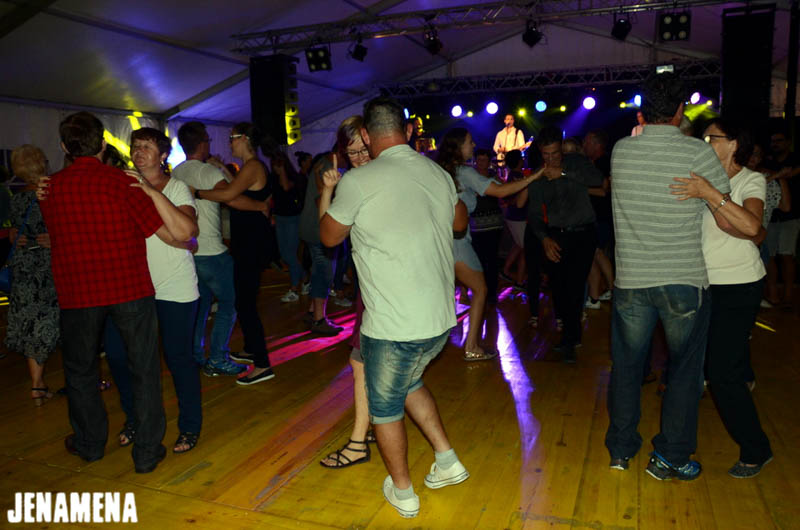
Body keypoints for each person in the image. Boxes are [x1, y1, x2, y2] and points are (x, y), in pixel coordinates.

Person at [320, 96, 469, 518]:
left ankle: (403, 492)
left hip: (392, 327)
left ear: (368, 136)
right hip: (439, 321)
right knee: (409, 383)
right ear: (407, 131)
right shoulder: (437, 172)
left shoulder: (359, 181)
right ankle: (447, 460)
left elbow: (328, 237)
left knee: (384, 409)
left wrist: (328, 192)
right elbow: (460, 224)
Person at [39, 111, 195, 473]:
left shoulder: (49, 189)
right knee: (144, 369)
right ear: (103, 144)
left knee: (81, 373)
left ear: (64, 146)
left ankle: (90, 445)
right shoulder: (123, 184)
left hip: (78, 293)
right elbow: (165, 231)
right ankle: (146, 453)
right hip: (129, 289)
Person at [604, 73, 731, 480]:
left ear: (644, 110)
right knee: (684, 372)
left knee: (627, 369)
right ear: (680, 110)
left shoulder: (621, 150)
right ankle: (671, 458)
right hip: (682, 279)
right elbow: (722, 203)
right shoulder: (697, 152)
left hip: (632, 281)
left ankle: (620, 451)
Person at [671, 119, 772, 478]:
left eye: (711, 138)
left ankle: (757, 448)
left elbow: (752, 228)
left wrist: (711, 194)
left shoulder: (750, 180)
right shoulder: (699, 180)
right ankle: (677, 447)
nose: (705, 142)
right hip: (701, 284)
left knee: (721, 373)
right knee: (701, 366)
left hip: (740, 284)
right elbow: (726, 227)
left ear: (733, 144)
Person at [103, 127, 202, 454]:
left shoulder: (177, 187)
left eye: (147, 146)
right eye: (136, 146)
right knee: (119, 355)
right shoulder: (121, 186)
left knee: (178, 358)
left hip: (174, 287)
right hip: (133, 287)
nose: (139, 152)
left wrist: (150, 192)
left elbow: (187, 232)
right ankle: (134, 419)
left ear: (163, 155)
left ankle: (189, 426)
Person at [172, 121, 267, 377]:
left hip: (190, 250)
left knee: (201, 305)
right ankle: (217, 358)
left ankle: (195, 355)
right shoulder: (207, 173)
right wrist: (260, 206)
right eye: (209, 140)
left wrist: (222, 169)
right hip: (212, 251)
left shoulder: (176, 172)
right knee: (230, 303)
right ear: (202, 143)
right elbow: (232, 198)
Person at [437, 128, 540, 361]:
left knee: (444, 291)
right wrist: (533, 177)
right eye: (470, 142)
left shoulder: (440, 171)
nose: (473, 146)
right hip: (457, 242)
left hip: (437, 240)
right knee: (481, 290)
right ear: (459, 146)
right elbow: (501, 191)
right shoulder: (464, 172)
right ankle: (472, 346)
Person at [196, 123, 275, 385]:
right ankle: (252, 349)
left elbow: (230, 194)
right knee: (244, 299)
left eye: (232, 138)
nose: (229, 143)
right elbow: (239, 189)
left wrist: (196, 192)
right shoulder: (251, 167)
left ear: (244, 138)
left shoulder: (253, 166)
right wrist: (221, 168)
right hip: (249, 241)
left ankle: (263, 365)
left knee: (245, 303)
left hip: (252, 243)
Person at [318, 115, 376, 469]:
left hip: (383, 285)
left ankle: (359, 440)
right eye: (351, 152)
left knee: (362, 362)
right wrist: (328, 189)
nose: (358, 157)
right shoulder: (353, 182)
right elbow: (328, 231)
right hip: (369, 285)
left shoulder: (376, 178)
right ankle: (372, 427)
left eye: (363, 149)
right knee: (371, 363)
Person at [522, 126, 603, 362]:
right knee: (558, 288)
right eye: (546, 155)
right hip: (555, 235)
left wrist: (564, 173)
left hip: (583, 234)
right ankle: (570, 336)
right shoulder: (538, 177)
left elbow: (597, 180)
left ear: (561, 149)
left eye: (555, 154)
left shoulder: (576, 162)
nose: (550, 159)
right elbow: (534, 214)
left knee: (575, 287)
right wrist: (544, 238)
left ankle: (570, 340)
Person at [5, 145, 59, 406]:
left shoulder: (15, 200)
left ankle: (37, 383)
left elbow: (14, 232)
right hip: (47, 265)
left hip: (24, 265)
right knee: (50, 319)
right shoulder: (50, 196)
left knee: (29, 321)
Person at [299, 151, 345, 336]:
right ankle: (319, 319)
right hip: (319, 228)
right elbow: (321, 199)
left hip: (312, 227)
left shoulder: (321, 164)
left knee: (319, 270)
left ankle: (312, 312)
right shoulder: (327, 167)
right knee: (324, 272)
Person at [763, 125, 800, 306]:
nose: (775, 144)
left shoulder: (796, 159)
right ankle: (773, 294)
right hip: (770, 216)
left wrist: (779, 175)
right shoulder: (767, 161)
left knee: (786, 255)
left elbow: (791, 174)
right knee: (769, 256)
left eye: (779, 141)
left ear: (788, 142)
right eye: (773, 141)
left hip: (791, 215)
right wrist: (777, 174)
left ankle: (788, 296)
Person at [269, 152, 305, 303]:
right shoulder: (272, 178)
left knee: (290, 254)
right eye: (274, 164)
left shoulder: (293, 177)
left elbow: (285, 187)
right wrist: (271, 214)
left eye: (278, 163)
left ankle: (295, 289)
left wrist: (282, 170)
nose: (275, 167)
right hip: (280, 218)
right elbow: (272, 197)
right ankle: (305, 279)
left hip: (292, 219)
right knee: (284, 255)